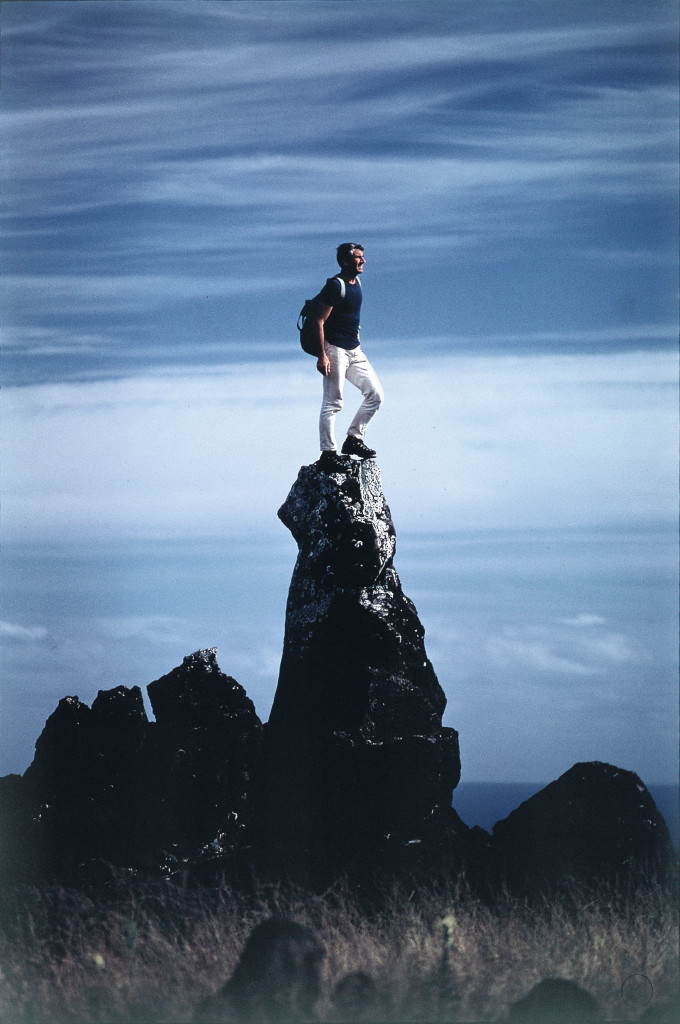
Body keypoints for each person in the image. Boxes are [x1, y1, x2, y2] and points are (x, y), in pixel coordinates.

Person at [314, 243, 384, 471]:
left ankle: (354, 439)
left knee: (376, 394)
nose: (363, 261)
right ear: (345, 261)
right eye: (358, 257)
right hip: (335, 350)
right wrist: (322, 355)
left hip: (355, 350)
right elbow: (318, 320)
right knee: (333, 402)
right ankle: (328, 453)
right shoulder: (335, 286)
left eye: (363, 257)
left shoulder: (358, 283)